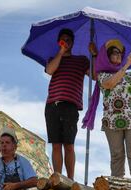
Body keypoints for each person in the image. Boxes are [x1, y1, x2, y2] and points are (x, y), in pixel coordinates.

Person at [44, 28, 96, 180]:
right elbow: (49, 70)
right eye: (63, 40)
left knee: (69, 144)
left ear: (73, 43)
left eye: (68, 40)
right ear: (59, 42)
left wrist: (94, 55)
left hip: (71, 106)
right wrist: (60, 52)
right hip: (52, 105)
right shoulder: (53, 59)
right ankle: (58, 177)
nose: (66, 43)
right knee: (55, 144)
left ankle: (70, 179)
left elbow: (94, 75)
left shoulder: (81, 61)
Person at [97, 39, 131, 181]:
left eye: (120, 53)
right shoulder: (102, 75)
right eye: (115, 53)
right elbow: (110, 84)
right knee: (117, 155)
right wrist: (127, 64)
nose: (119, 55)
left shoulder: (130, 76)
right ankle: (117, 187)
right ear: (107, 57)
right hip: (112, 121)